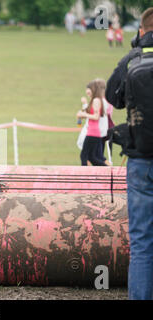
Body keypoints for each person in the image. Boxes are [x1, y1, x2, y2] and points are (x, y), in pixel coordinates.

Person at [106, 7, 153, 300]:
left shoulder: (134, 58)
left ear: (141, 31)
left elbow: (113, 97)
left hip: (141, 159)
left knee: (142, 242)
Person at [76, 79, 108, 166]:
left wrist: (84, 114)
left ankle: (85, 176)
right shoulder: (96, 100)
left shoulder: (96, 101)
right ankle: (108, 170)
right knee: (92, 157)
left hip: (92, 132)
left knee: (84, 156)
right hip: (93, 132)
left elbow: (96, 116)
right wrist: (84, 112)